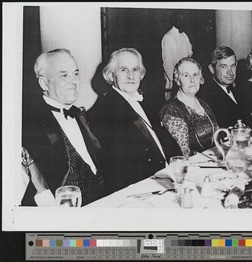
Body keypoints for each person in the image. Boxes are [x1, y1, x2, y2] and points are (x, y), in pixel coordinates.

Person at [87, 48, 182, 195]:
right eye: (124, 70)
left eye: (135, 69)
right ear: (112, 75)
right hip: (142, 191)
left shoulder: (144, 102)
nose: (131, 75)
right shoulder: (104, 110)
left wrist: (179, 167)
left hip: (166, 180)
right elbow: (118, 169)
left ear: (141, 74)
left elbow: (167, 142)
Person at [22, 48, 105, 206]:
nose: (74, 81)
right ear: (44, 83)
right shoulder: (32, 126)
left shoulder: (81, 116)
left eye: (75, 73)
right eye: (64, 75)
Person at [160, 57, 218, 157]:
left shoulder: (202, 103)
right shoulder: (171, 110)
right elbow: (183, 155)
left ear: (201, 78)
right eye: (186, 75)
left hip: (213, 160)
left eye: (195, 75)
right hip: (193, 167)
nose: (192, 80)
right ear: (178, 80)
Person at [197, 46, 242, 128]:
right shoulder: (207, 96)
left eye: (233, 66)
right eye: (224, 66)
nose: (230, 72)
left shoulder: (238, 90)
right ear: (212, 69)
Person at [162, 11, 193, 101]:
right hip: (174, 79)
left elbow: (190, 52)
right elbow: (167, 62)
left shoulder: (184, 35)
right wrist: (175, 79)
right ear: (174, 21)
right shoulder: (168, 37)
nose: (182, 22)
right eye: (180, 20)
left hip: (185, 75)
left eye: (183, 20)